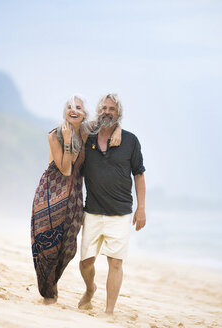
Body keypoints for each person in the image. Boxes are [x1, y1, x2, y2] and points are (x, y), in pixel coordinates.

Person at [31, 95, 122, 305]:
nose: (74, 110)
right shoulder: (55, 135)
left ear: (84, 113)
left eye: (78, 107)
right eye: (70, 107)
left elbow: (109, 122)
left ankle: (52, 283)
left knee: (68, 247)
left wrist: (116, 131)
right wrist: (70, 141)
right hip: (51, 193)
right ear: (65, 112)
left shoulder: (87, 130)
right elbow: (65, 168)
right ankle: (48, 292)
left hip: (73, 196)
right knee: (47, 245)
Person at [78, 93, 146, 315]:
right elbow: (76, 124)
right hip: (93, 211)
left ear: (119, 114)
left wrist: (141, 208)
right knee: (86, 262)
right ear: (99, 111)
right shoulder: (88, 137)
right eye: (104, 108)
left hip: (120, 213)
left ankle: (109, 312)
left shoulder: (130, 141)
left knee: (115, 263)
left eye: (112, 109)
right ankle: (90, 289)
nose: (107, 111)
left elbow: (139, 175)